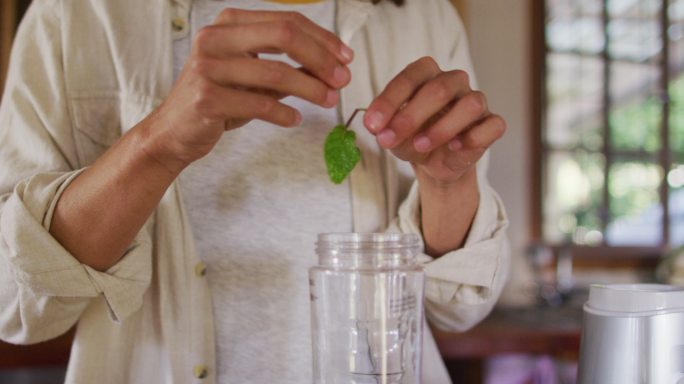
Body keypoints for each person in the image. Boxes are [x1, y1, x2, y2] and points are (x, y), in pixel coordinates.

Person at [0, 0, 510, 383]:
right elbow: (11, 301)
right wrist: (158, 144)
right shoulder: (76, 15)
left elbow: (454, 306)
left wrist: (447, 181)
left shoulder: (420, 17)